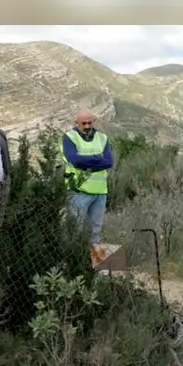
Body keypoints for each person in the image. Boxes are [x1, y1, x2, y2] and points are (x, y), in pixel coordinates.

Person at [61, 108, 114, 265]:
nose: (87, 126)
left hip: (100, 191)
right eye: (83, 123)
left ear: (94, 122)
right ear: (76, 123)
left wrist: (87, 163)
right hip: (78, 191)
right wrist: (98, 158)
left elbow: (108, 162)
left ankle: (92, 267)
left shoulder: (102, 138)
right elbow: (75, 160)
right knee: (75, 229)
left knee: (95, 231)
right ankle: (72, 264)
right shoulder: (69, 137)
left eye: (89, 123)